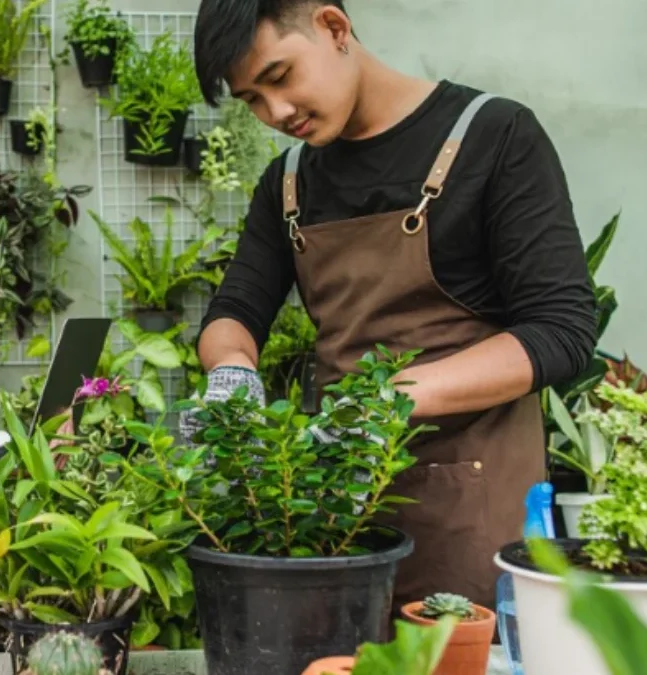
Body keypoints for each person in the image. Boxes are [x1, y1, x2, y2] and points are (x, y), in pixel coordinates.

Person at [185, 0, 597, 612]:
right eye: (252, 99)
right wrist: (232, 372)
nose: (276, 113)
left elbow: (562, 330)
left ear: (333, 27)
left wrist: (386, 403)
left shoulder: (494, 136)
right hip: (335, 514)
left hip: (472, 510)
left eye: (278, 77)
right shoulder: (289, 180)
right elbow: (236, 310)